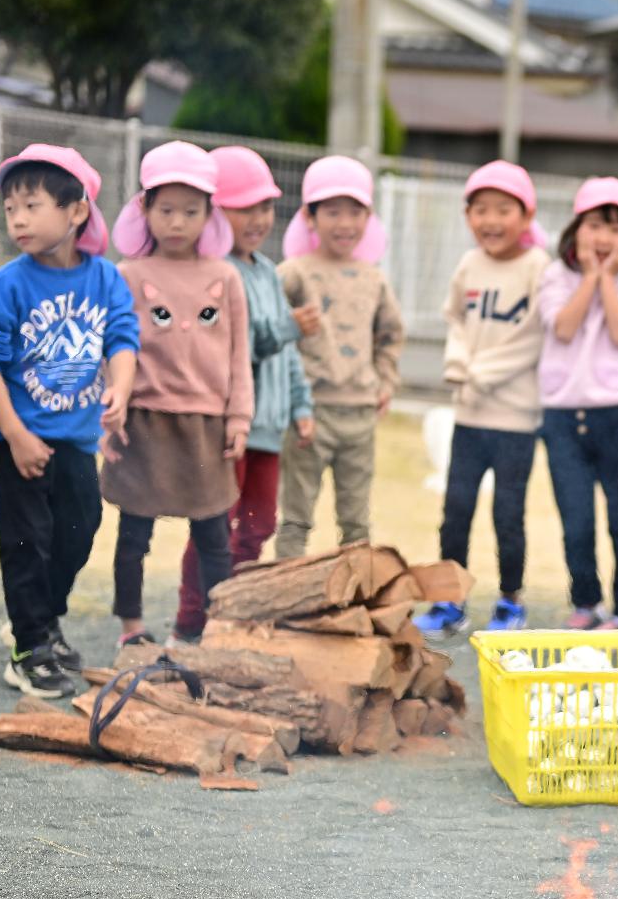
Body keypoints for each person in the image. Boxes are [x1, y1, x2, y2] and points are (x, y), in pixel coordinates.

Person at [0, 144, 140, 694]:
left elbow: (122, 338)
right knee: (26, 541)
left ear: (76, 211)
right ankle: (28, 645)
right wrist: (14, 435)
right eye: (10, 207)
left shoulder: (105, 279)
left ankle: (41, 619)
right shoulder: (7, 285)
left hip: (74, 436)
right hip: (17, 436)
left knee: (80, 528)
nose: (18, 218)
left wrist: (122, 391)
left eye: (32, 205)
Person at [102, 141, 253, 648]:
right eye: (166, 209)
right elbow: (112, 350)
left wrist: (239, 418)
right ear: (143, 209)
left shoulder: (225, 276)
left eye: (191, 211)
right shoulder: (127, 275)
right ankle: (132, 628)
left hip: (206, 424)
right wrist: (111, 411)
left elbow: (238, 355)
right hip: (143, 420)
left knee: (213, 536)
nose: (177, 222)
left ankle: (218, 632)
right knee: (133, 535)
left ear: (210, 214)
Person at [169, 146, 313, 644]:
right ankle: (191, 624)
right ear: (214, 213)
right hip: (228, 425)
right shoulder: (213, 273)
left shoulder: (268, 271)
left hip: (269, 428)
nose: (257, 219)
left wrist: (302, 405)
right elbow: (232, 348)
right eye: (243, 207)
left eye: (265, 207)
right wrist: (287, 327)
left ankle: (231, 614)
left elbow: (287, 355)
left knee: (258, 526)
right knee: (214, 530)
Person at [417, 160, 551, 640]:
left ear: (526, 215)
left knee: (508, 516)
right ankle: (449, 602)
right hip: (469, 416)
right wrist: (457, 363)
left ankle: (510, 602)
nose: (491, 220)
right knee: (455, 510)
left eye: (504, 210)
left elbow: (534, 336)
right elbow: (455, 320)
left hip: (516, 418)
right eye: (480, 210)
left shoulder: (538, 267)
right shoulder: (468, 264)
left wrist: (480, 375)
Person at [537, 177, 618, 633]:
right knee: (576, 520)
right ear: (576, 229)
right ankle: (586, 603)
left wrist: (607, 278)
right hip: (562, 417)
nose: (604, 237)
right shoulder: (555, 276)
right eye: (594, 224)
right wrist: (589, 276)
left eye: (616, 227)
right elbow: (563, 327)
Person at [275, 156, 404, 559]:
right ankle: (287, 600)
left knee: (356, 521)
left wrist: (386, 381)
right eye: (332, 212)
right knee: (296, 516)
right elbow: (267, 328)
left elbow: (390, 335)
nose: (344, 223)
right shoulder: (294, 273)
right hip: (307, 414)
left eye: (355, 212)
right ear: (309, 217)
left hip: (360, 415)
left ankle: (355, 605)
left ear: (369, 218)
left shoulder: (374, 278)